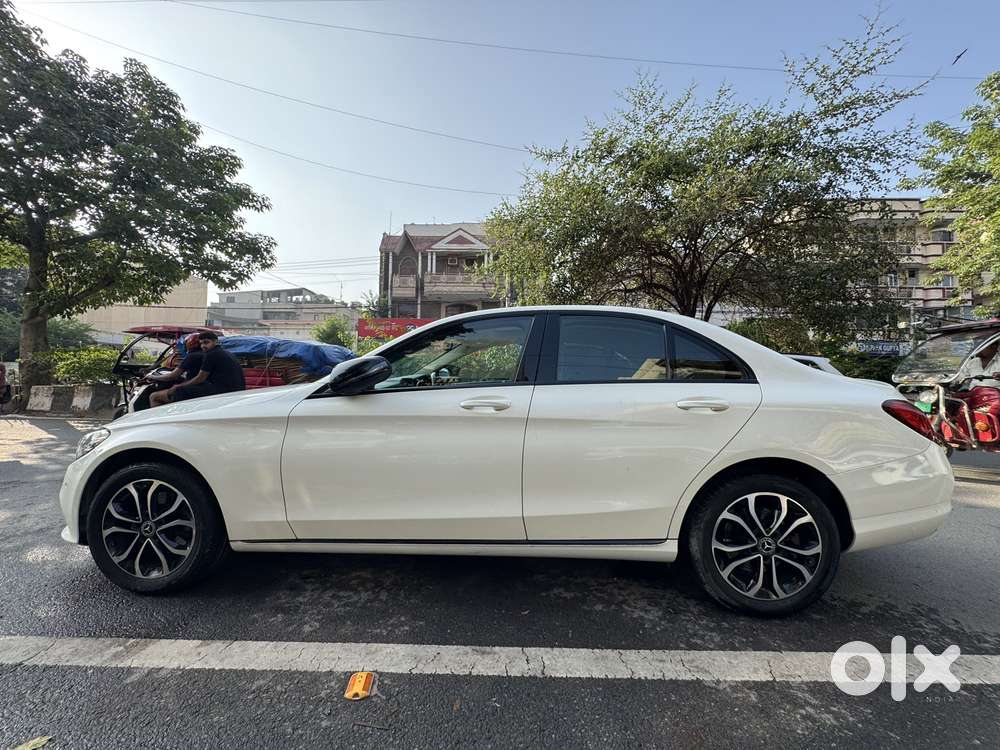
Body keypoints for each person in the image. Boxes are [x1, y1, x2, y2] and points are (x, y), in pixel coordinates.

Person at [164, 331, 246, 403]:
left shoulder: (211, 354)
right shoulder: (226, 352)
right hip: (236, 390)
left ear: (216, 342)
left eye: (206, 342)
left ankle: (179, 417)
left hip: (223, 391)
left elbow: (200, 378)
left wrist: (179, 386)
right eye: (201, 343)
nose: (203, 346)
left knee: (179, 391)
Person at [148, 334, 205, 408]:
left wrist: (152, 377)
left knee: (154, 396)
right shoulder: (205, 354)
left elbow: (172, 376)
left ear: (189, 344)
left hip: (192, 389)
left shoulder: (192, 356)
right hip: (202, 387)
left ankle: (158, 419)